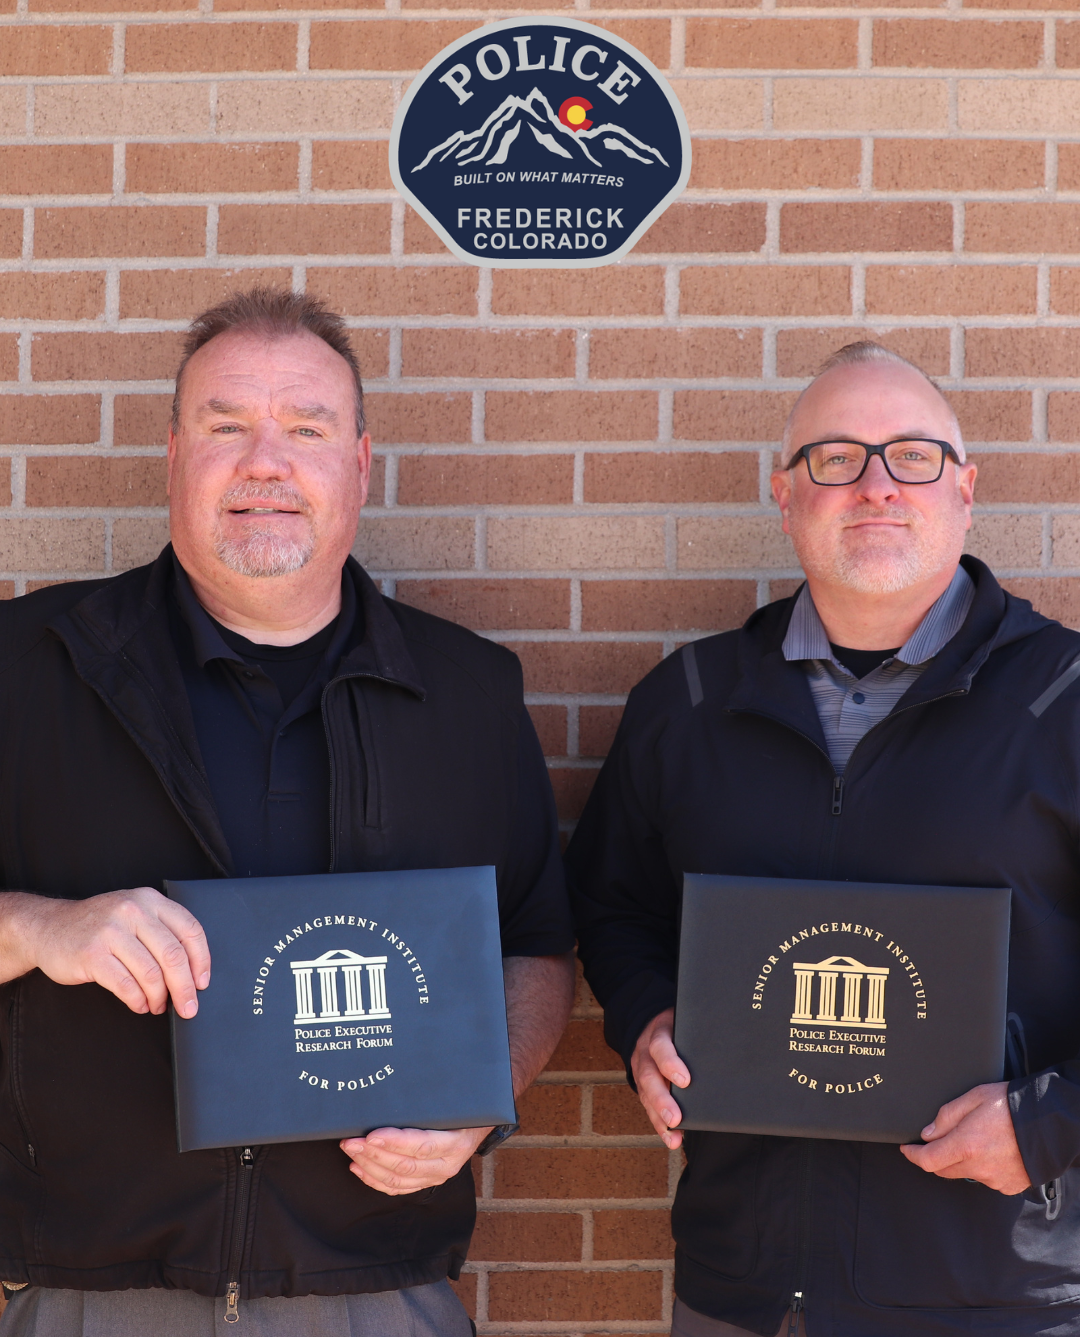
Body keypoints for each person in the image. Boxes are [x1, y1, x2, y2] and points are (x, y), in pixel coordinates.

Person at [0, 288, 575, 1336]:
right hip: (94, 1290)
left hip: (375, 1289)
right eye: (226, 427)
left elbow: (535, 944)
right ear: (173, 453)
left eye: (306, 429)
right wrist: (38, 928)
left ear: (359, 465)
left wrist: (477, 1100)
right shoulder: (25, 670)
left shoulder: (467, 691)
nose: (265, 462)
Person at [567, 340, 1080, 1337]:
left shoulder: (1066, 702)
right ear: (786, 493)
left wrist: (1052, 1124)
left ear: (965, 491)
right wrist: (647, 1019)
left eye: (913, 457)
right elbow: (612, 904)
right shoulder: (691, 702)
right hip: (745, 1289)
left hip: (993, 1294)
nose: (877, 485)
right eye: (835, 457)